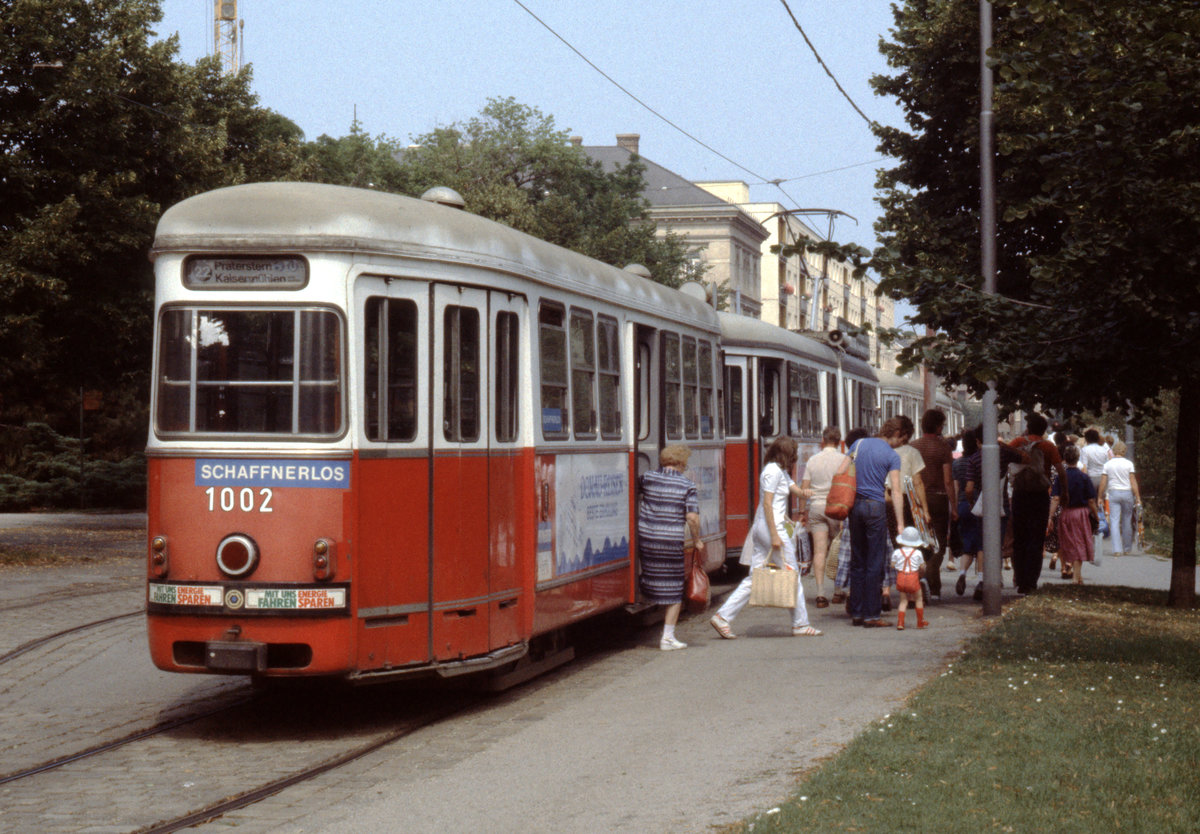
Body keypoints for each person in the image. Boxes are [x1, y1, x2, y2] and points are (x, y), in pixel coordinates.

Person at [711, 436, 821, 639]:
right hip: (773, 528)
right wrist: (775, 535)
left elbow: (794, 489)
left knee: (755, 576)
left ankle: (723, 617)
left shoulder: (777, 470)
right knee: (792, 574)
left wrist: (807, 493)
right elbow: (768, 504)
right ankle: (800, 624)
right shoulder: (773, 472)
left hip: (763, 528)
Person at [637, 445, 704, 651]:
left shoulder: (648, 478)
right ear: (682, 463)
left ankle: (645, 595)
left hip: (647, 537)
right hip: (670, 541)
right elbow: (692, 518)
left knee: (651, 576)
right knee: (675, 591)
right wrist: (697, 540)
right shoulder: (686, 485)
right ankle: (667, 638)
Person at [845, 418, 906, 628]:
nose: (901, 444)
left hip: (855, 506)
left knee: (858, 560)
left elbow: (843, 469)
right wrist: (900, 523)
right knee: (874, 562)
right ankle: (872, 615)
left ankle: (857, 611)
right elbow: (896, 491)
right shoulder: (892, 456)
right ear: (897, 433)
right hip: (876, 507)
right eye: (902, 439)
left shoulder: (858, 444)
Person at [1007, 413, 1067, 595]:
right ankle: (1031, 581)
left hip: (1019, 494)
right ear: (1044, 430)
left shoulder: (1017, 443)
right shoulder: (1048, 446)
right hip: (1040, 496)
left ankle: (1020, 578)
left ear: (1028, 427)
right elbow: (1061, 472)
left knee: (1020, 538)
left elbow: (1002, 460)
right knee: (1035, 538)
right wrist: (1065, 493)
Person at [910, 409, 957, 600]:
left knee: (920, 540)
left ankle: (928, 585)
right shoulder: (943, 447)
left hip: (917, 499)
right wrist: (953, 506)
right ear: (939, 426)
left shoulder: (913, 446)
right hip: (938, 498)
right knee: (939, 544)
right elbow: (948, 480)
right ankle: (931, 577)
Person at [800, 426, 848, 609]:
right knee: (838, 549)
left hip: (817, 508)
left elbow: (805, 488)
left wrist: (803, 511)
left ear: (823, 440)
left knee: (820, 551)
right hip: (836, 508)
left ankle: (820, 594)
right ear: (838, 441)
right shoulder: (844, 460)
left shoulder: (813, 460)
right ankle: (837, 591)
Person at [1050, 444, 1099, 584]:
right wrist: (1096, 515)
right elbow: (1090, 500)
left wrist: (1050, 516)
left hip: (1065, 513)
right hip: (1081, 513)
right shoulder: (1084, 477)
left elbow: (1055, 498)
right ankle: (1076, 576)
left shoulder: (1061, 477)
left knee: (1068, 543)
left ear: (1065, 458)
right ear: (1078, 459)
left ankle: (1076, 574)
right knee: (1079, 543)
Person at [1098, 441, 1141, 557]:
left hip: (1113, 493)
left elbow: (1103, 482)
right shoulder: (1129, 464)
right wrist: (1137, 497)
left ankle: (1117, 549)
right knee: (1127, 520)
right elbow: (1133, 481)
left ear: (1114, 450)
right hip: (1127, 493)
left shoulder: (1108, 464)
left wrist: (1100, 496)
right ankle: (1127, 548)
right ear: (1124, 451)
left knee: (1114, 521)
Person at [891, 526, 928, 630]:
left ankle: (900, 622)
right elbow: (922, 567)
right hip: (913, 578)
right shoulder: (918, 553)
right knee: (919, 599)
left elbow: (893, 565)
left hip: (901, 577)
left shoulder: (897, 552)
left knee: (903, 601)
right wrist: (922, 571)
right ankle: (920, 622)